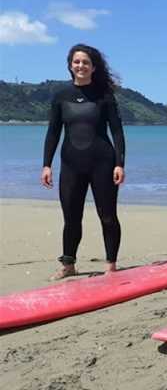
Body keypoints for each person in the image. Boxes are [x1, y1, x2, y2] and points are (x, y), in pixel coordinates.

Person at [41, 44, 126, 280]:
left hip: (103, 164)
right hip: (71, 165)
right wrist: (46, 164)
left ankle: (111, 266)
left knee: (107, 216)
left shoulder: (105, 96)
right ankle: (68, 265)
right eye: (77, 62)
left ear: (93, 67)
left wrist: (120, 163)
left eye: (86, 62)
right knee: (71, 217)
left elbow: (117, 132)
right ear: (70, 65)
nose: (81, 66)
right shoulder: (60, 96)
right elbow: (53, 132)